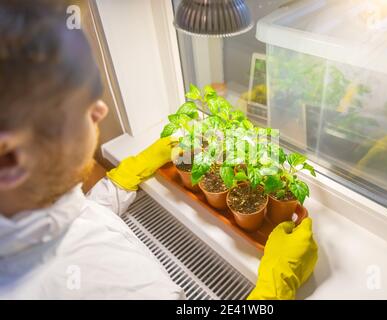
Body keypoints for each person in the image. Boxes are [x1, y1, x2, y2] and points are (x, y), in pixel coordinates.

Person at [0, 0, 318, 300]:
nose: (99, 111)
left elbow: (75, 221)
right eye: (75, 105)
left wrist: (122, 179)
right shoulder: (96, 281)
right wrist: (275, 287)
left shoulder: (25, 211)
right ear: (11, 156)